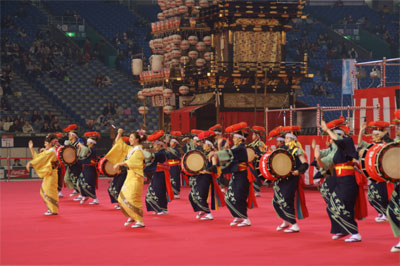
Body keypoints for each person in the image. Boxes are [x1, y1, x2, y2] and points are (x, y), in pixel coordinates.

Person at [318, 118, 367, 242]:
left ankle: (355, 233)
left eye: (336, 134)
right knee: (331, 207)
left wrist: (328, 130)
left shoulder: (348, 142)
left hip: (348, 181)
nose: (332, 137)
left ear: (342, 134)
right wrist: (318, 158)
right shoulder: (337, 150)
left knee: (342, 206)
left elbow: (338, 141)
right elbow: (328, 162)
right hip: (340, 181)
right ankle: (341, 230)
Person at [212, 123, 257, 227]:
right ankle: (238, 216)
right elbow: (229, 157)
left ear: (240, 139)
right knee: (228, 197)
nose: (233, 139)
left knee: (239, 196)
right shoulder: (237, 147)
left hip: (243, 175)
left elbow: (229, 153)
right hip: (236, 174)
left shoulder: (241, 148)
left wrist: (216, 153)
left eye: (235, 137)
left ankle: (245, 218)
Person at [105, 128, 147, 228]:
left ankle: (139, 220)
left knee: (133, 198)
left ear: (137, 139)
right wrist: (119, 133)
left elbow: (132, 162)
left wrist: (120, 163)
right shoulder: (132, 149)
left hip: (136, 177)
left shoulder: (138, 151)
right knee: (122, 197)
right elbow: (120, 145)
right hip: (130, 176)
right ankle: (131, 215)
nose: (130, 139)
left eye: (132, 137)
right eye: (130, 137)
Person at [273, 128, 309, 233]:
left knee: (286, 200)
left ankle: (294, 224)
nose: (286, 139)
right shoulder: (283, 149)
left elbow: (305, 164)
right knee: (275, 201)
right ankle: (286, 221)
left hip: (292, 178)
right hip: (281, 178)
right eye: (286, 137)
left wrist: (298, 171)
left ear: (293, 139)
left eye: (288, 138)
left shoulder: (296, 150)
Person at [357, 121, 392, 223]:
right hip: (374, 175)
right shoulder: (373, 145)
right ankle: (382, 212)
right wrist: (361, 131)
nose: (373, 137)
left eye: (375, 134)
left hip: (383, 175)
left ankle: (386, 213)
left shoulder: (386, 144)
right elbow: (360, 144)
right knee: (372, 196)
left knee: (381, 195)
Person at [189, 132, 225, 221]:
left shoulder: (212, 154)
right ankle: (202, 209)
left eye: (205, 144)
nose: (203, 145)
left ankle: (208, 213)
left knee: (201, 195)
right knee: (192, 195)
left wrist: (207, 170)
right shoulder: (203, 153)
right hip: (200, 176)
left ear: (209, 146)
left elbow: (214, 166)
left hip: (206, 177)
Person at [26, 134, 60, 215]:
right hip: (50, 174)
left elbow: (40, 158)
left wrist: (30, 162)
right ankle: (52, 209)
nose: (44, 145)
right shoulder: (51, 150)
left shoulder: (51, 151)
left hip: (51, 174)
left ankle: (53, 210)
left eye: (46, 143)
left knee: (49, 191)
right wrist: (32, 149)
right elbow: (41, 156)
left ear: (50, 144)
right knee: (45, 191)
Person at [77, 132, 100, 205]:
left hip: (91, 169)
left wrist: (81, 145)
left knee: (89, 183)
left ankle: (95, 198)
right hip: (86, 167)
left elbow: (85, 151)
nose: (87, 144)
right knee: (80, 182)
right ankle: (84, 195)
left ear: (92, 143)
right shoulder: (89, 149)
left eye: (88, 142)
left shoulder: (92, 149)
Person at [107, 136, 129, 209]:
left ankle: (122, 203)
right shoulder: (118, 153)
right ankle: (119, 202)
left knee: (118, 188)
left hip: (125, 173)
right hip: (118, 173)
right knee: (111, 189)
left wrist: (121, 170)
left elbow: (128, 164)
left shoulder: (127, 153)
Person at [248, 126, 267, 197]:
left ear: (257, 136)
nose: (252, 136)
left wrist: (257, 155)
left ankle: (257, 190)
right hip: (251, 162)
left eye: (253, 134)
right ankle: (252, 190)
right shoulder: (252, 144)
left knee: (255, 176)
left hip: (257, 162)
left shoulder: (260, 143)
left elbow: (263, 153)